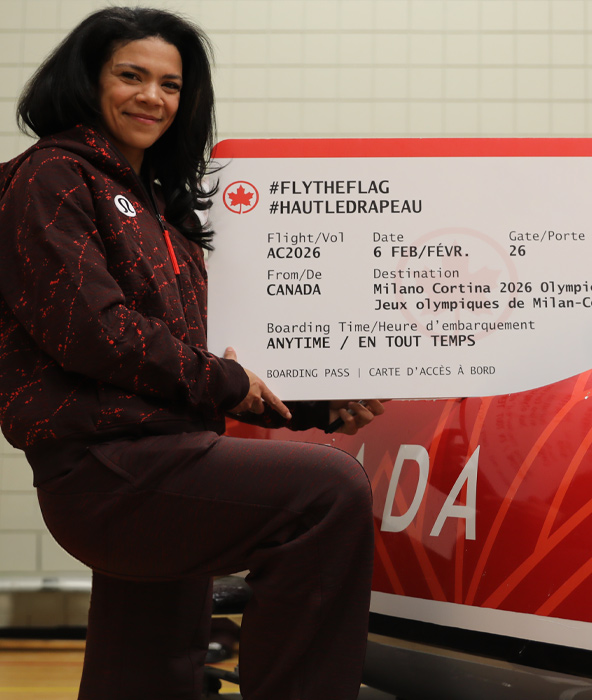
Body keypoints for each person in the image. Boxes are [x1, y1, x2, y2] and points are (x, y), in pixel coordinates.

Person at [0, 7, 382, 700]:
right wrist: (228, 381)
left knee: (145, 668)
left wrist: (315, 406)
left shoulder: (160, 209)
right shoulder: (49, 177)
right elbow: (95, 333)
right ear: (88, 81)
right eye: (131, 75)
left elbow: (192, 360)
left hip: (161, 456)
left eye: (170, 84)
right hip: (108, 465)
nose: (153, 96)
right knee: (329, 492)